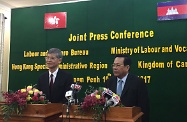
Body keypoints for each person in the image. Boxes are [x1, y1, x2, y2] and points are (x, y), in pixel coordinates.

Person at [105, 54, 149, 122]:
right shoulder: (109, 82)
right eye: (113, 65)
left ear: (127, 67)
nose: (115, 68)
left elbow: (143, 108)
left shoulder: (137, 82)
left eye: (118, 65)